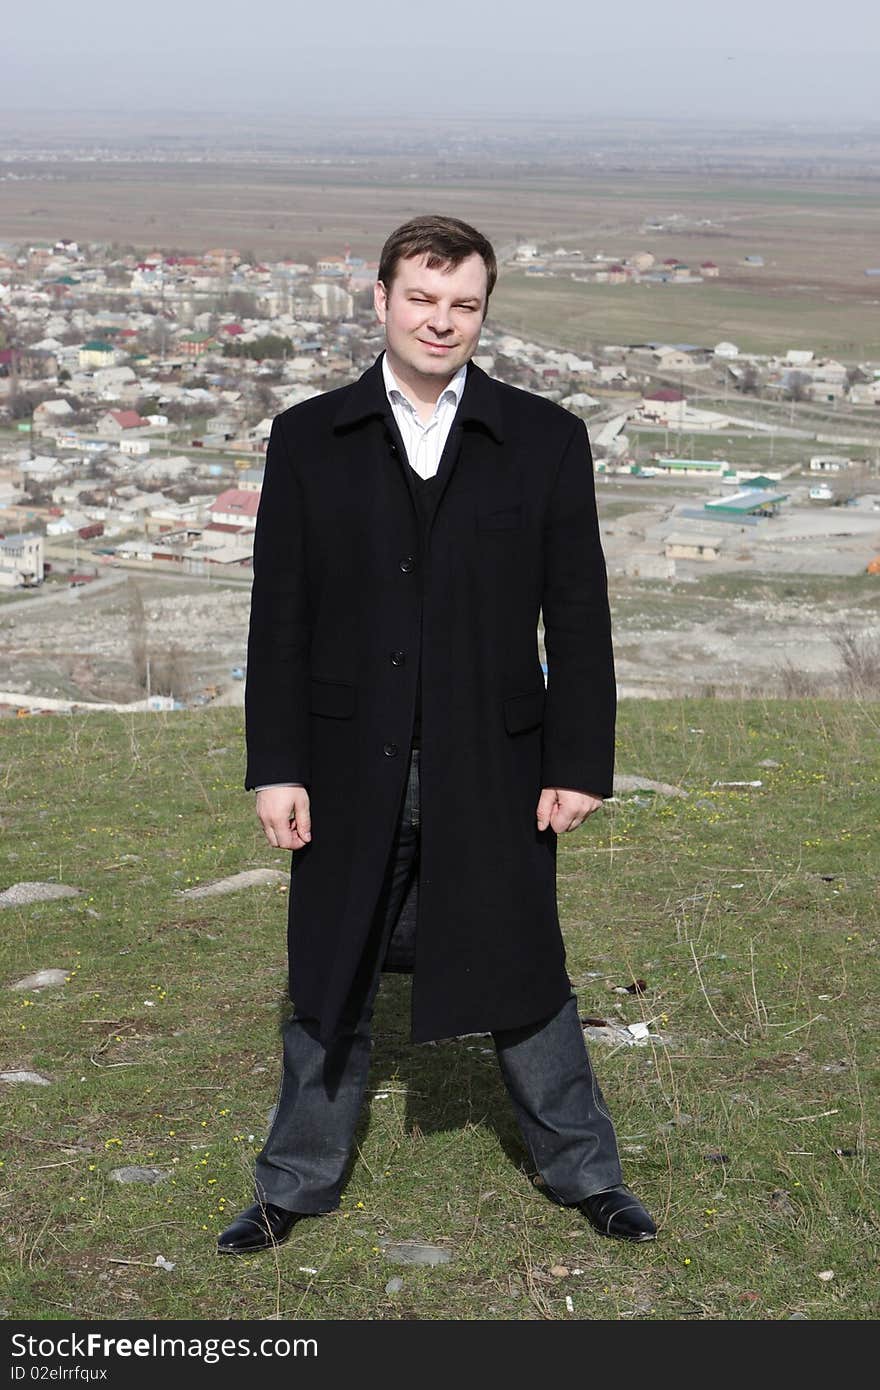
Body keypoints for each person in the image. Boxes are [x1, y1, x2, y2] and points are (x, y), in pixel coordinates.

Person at [218, 215, 656, 1254]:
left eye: (463, 303)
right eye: (422, 298)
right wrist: (276, 766)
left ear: (483, 311)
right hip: (340, 758)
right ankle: (292, 1185)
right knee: (330, 969)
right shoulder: (308, 437)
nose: (441, 321)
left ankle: (586, 1174)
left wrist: (576, 763)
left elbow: (578, 614)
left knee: (524, 963)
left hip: (495, 760)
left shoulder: (545, 438)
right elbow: (278, 617)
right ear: (380, 300)